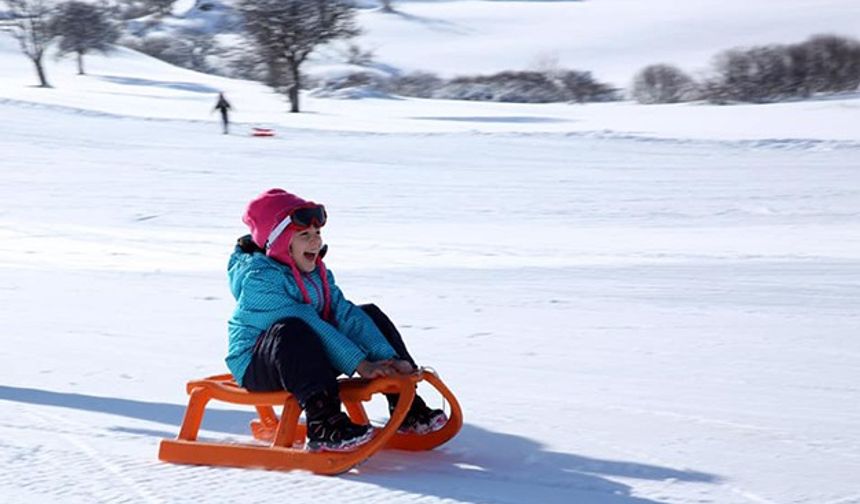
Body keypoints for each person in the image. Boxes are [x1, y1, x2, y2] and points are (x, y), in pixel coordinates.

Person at [226, 188, 447, 452]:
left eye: (317, 233)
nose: (315, 242)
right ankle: (323, 424)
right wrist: (361, 364)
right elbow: (310, 323)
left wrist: (385, 358)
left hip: (310, 356)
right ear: (279, 244)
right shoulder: (260, 282)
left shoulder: (316, 272)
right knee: (294, 329)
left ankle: (405, 402)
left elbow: (344, 314)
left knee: (368, 312)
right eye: (304, 235)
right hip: (259, 363)